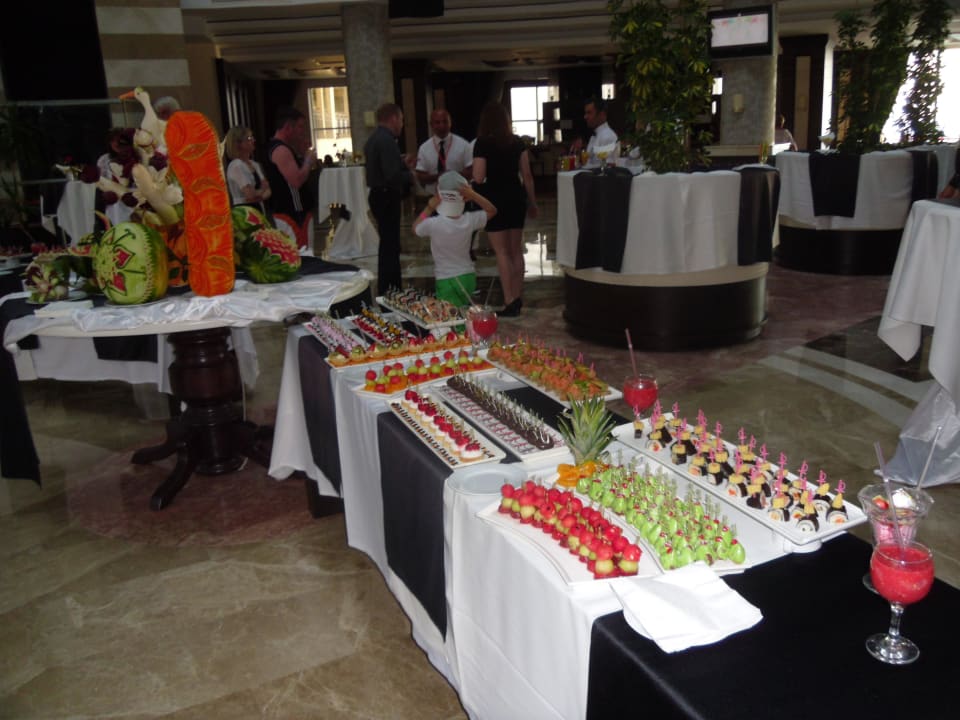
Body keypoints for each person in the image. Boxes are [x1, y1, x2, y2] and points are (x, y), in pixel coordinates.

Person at [471, 101, 537, 317]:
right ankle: (517, 296)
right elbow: (527, 175)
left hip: (494, 200)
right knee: (516, 250)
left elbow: (478, 176)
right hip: (516, 197)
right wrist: (532, 202)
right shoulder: (517, 142)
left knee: (502, 252)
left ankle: (509, 301)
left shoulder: (482, 143)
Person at [412, 170, 496, 306]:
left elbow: (416, 228)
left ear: (439, 195)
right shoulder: (469, 220)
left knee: (450, 317)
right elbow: (492, 210)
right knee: (463, 312)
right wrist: (474, 195)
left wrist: (429, 208)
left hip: (446, 279)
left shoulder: (433, 223)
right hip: (468, 276)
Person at [364, 102, 415, 294]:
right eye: (401, 119)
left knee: (388, 244)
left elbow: (382, 166)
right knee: (390, 246)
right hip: (386, 196)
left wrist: (399, 161)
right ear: (393, 118)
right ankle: (390, 289)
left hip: (378, 195)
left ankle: (389, 287)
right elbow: (391, 176)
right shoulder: (386, 140)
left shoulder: (374, 138)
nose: (402, 124)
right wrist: (410, 174)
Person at [263, 106, 318, 251]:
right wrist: (308, 160)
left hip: (294, 210)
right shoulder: (281, 150)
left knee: (303, 251)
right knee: (301, 253)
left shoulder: (284, 148)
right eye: (300, 127)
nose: (302, 131)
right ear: (288, 127)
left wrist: (302, 154)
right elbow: (296, 181)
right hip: (293, 212)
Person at [415, 109, 473, 196]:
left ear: (450, 123)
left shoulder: (464, 145)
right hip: (433, 196)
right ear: (431, 125)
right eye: (437, 122)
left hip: (459, 196)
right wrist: (439, 176)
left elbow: (471, 172)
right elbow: (420, 176)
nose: (442, 125)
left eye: (445, 122)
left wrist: (452, 176)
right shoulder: (424, 148)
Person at [223, 126, 272, 210]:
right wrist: (262, 191)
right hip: (244, 211)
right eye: (249, 138)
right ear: (238, 144)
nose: (253, 140)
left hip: (258, 208)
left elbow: (268, 191)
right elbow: (250, 194)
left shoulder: (255, 164)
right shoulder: (236, 165)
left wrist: (258, 195)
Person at [570, 97, 618, 161]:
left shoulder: (608, 137)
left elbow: (602, 165)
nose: (585, 117)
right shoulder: (596, 134)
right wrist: (579, 151)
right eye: (585, 113)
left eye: (589, 113)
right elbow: (590, 161)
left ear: (602, 114)